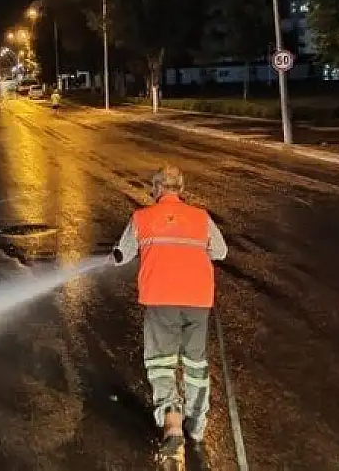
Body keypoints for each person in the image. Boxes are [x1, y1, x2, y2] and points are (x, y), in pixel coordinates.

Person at [110, 166, 228, 468]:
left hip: (160, 300)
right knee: (195, 364)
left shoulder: (142, 218)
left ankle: (172, 424)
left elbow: (122, 253)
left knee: (161, 362)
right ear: (181, 188)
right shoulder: (202, 218)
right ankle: (197, 427)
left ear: (156, 189)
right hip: (198, 302)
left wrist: (116, 256)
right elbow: (221, 252)